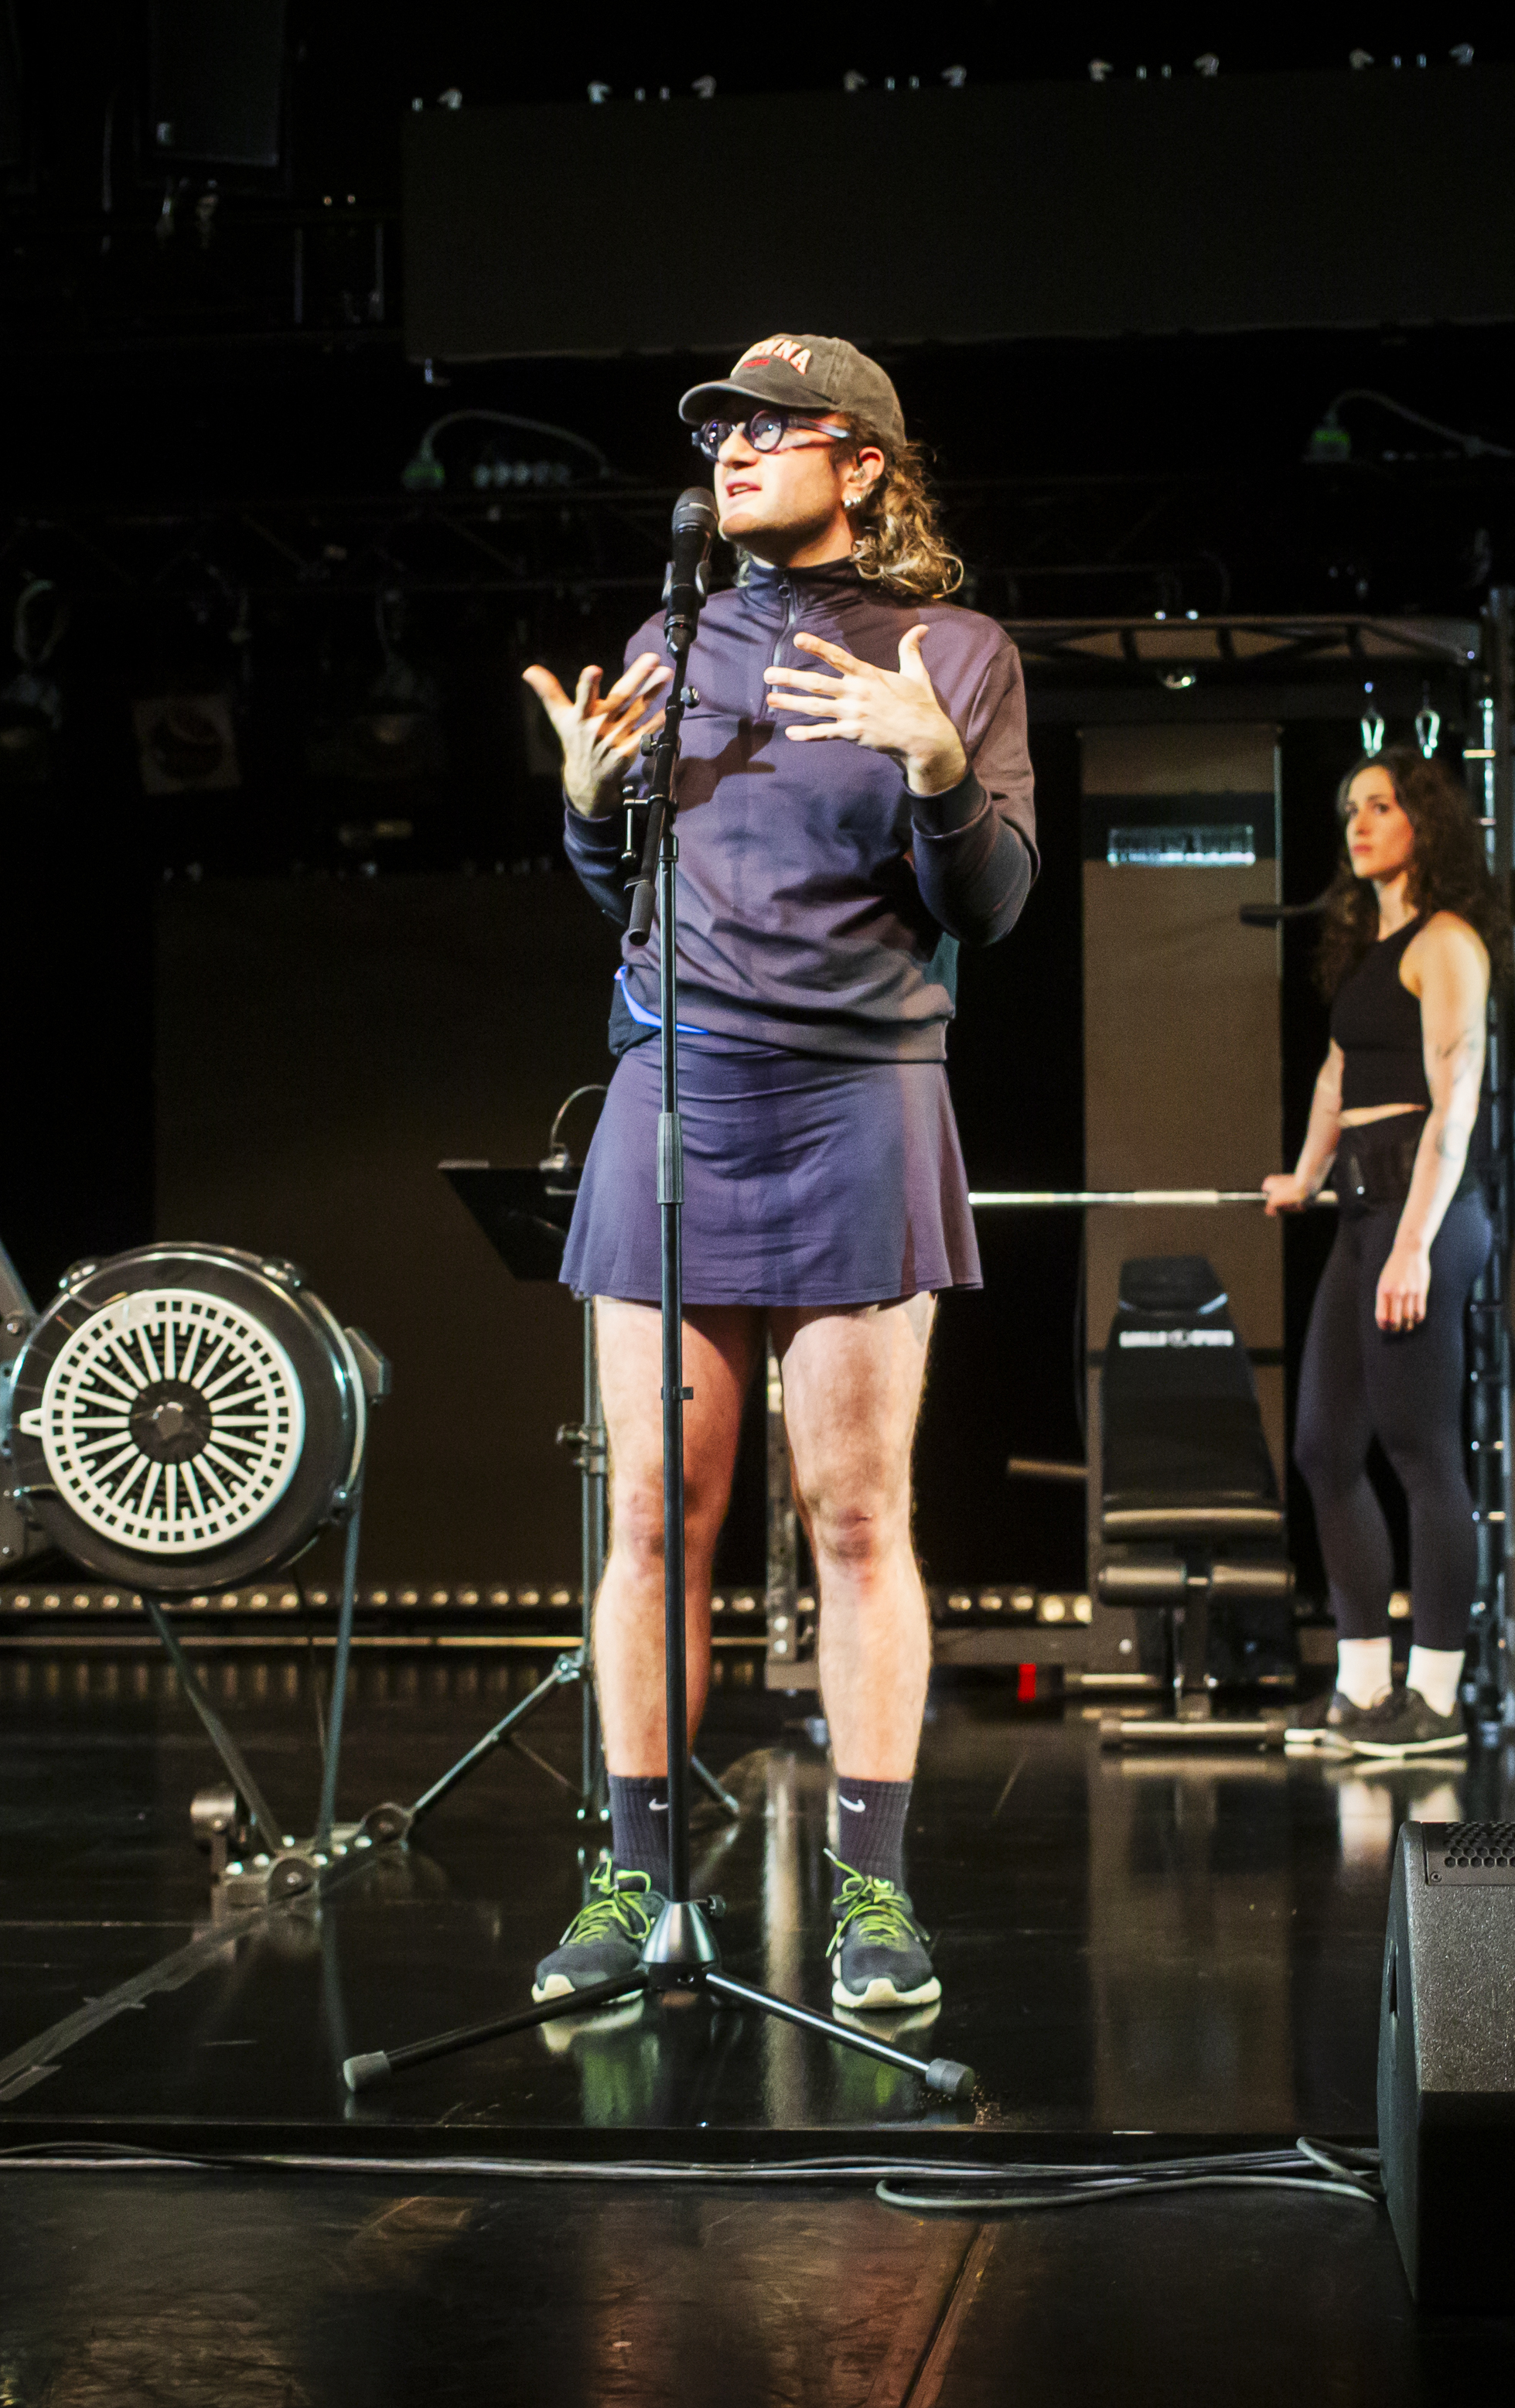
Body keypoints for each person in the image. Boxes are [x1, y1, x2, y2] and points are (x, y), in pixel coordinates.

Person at [519, 333, 1035, 2012]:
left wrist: (939, 771)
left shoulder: (953, 651)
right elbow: (645, 897)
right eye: (716, 431)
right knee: (656, 1518)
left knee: (861, 1515)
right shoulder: (669, 641)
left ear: (864, 463)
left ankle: (870, 1896)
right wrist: (592, 813)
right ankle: (636, 1879)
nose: (731, 450)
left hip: (856, 1100)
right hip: (675, 1097)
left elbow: (991, 908)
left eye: (769, 427)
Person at [1263, 749, 1507, 1757]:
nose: (1358, 823)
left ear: (1426, 823)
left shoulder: (1447, 943)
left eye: (1380, 805)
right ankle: (1364, 1689)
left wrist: (1413, 1245)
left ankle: (1439, 1701)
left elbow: (1456, 1105)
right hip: (1365, 1214)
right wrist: (1305, 1173)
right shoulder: (1376, 947)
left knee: (1419, 1453)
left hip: (1424, 1215)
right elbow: (1336, 1077)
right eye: (1350, 807)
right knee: (1323, 1446)